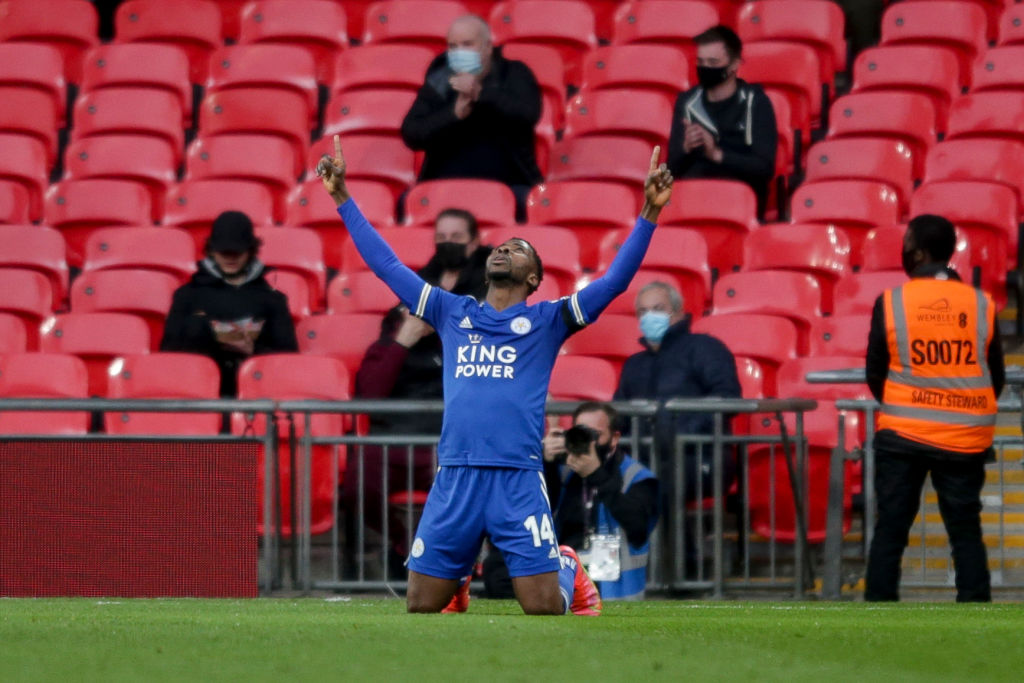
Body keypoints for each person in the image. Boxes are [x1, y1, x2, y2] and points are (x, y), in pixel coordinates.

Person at [318, 135, 673, 615]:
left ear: (533, 278)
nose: (505, 250)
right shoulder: (450, 310)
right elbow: (385, 265)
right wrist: (342, 196)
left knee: (544, 608)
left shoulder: (548, 320)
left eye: (518, 249)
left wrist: (649, 213)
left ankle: (566, 566)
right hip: (457, 474)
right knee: (420, 606)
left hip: (518, 477)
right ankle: (459, 575)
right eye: (501, 247)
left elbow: (614, 283)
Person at [864, 215, 1004, 603]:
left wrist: (906, 402)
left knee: (891, 530)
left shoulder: (892, 301)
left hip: (902, 436)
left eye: (907, 242)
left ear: (920, 252)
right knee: (965, 532)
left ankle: (876, 621)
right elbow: (995, 375)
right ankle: (975, 619)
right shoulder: (981, 303)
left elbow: (875, 371)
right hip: (964, 438)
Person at [347, 208, 492, 576]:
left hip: (455, 432)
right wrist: (404, 340)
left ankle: (459, 560)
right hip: (396, 434)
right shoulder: (410, 296)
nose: (448, 244)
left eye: (457, 237)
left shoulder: (487, 301)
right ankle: (403, 544)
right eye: (441, 236)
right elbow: (370, 391)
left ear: (475, 242)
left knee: (467, 486)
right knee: (357, 482)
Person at [400, 14, 543, 219]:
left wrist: (480, 94)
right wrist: (454, 114)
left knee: (529, 203)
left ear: (487, 47)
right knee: (406, 203)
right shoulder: (440, 79)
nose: (459, 53)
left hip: (509, 188)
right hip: (443, 189)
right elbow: (412, 132)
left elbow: (527, 113)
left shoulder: (513, 74)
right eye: (453, 46)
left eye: (467, 44)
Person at [614, 281, 741, 499]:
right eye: (643, 311)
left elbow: (728, 397)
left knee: (654, 483)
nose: (649, 316)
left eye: (658, 309)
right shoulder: (634, 364)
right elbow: (619, 414)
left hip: (699, 455)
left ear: (679, 311)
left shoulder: (705, 348)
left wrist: (679, 432)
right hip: (643, 456)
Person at [160, 211, 298, 397]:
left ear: (250, 250)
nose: (230, 258)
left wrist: (252, 350)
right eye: (224, 251)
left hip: (257, 393)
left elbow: (288, 360)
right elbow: (168, 354)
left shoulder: (273, 300)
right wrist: (207, 337)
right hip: (195, 392)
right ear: (211, 250)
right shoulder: (187, 296)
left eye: (237, 252)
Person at [666, 25, 777, 218]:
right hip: (693, 198)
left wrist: (717, 154)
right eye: (701, 61)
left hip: (739, 201)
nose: (705, 68)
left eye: (713, 62)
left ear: (734, 65)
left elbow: (764, 169)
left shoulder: (755, 102)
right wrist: (685, 148)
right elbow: (672, 169)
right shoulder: (687, 101)